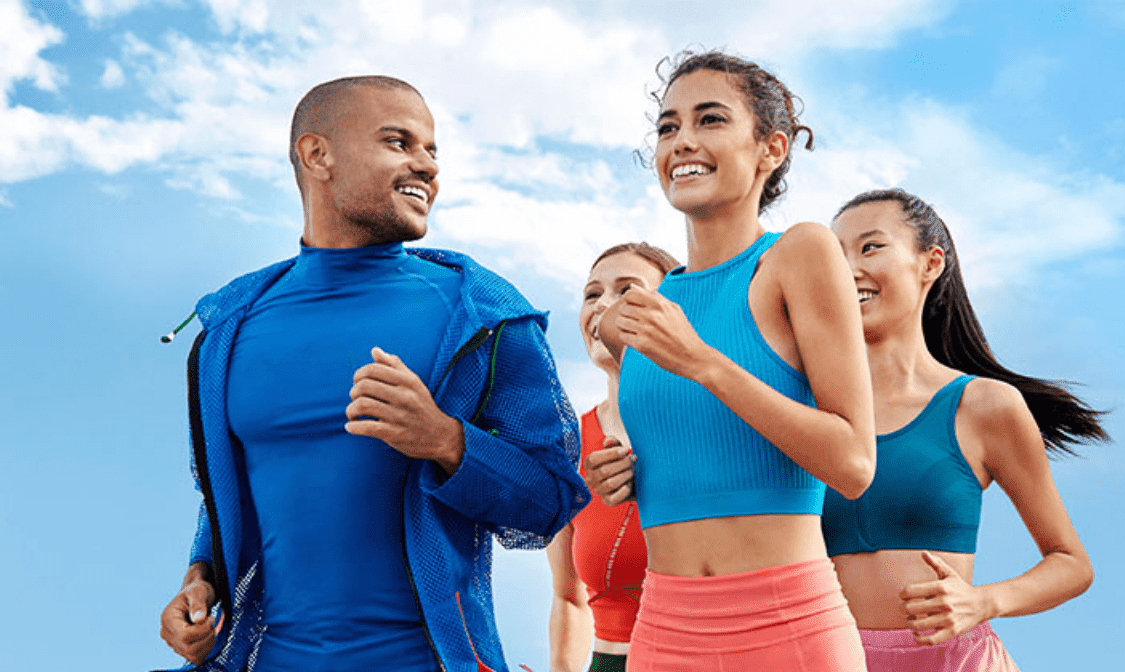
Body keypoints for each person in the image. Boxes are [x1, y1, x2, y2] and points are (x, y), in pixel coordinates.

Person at [155, 75, 589, 672]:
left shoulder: (481, 312)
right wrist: (202, 578)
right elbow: (229, 492)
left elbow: (552, 500)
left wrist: (445, 440)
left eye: (432, 151)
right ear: (317, 155)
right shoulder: (228, 330)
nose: (427, 167)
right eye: (399, 142)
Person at [586, 50, 876, 671]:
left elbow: (853, 463)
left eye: (710, 120)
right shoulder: (641, 316)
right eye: (668, 128)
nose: (682, 141)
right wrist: (623, 476)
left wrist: (704, 362)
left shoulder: (798, 255)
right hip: (662, 632)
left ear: (770, 149)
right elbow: (697, 452)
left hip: (787, 628)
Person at [823, 188, 1104, 671]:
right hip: (832, 659)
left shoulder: (985, 407)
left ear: (930, 263)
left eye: (870, 247)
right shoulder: (803, 406)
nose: (849, 270)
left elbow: (1071, 563)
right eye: (836, 255)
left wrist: (984, 601)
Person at [546, 243, 679, 672]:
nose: (604, 305)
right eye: (592, 294)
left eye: (627, 290)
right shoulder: (566, 445)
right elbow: (569, 597)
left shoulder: (714, 429)